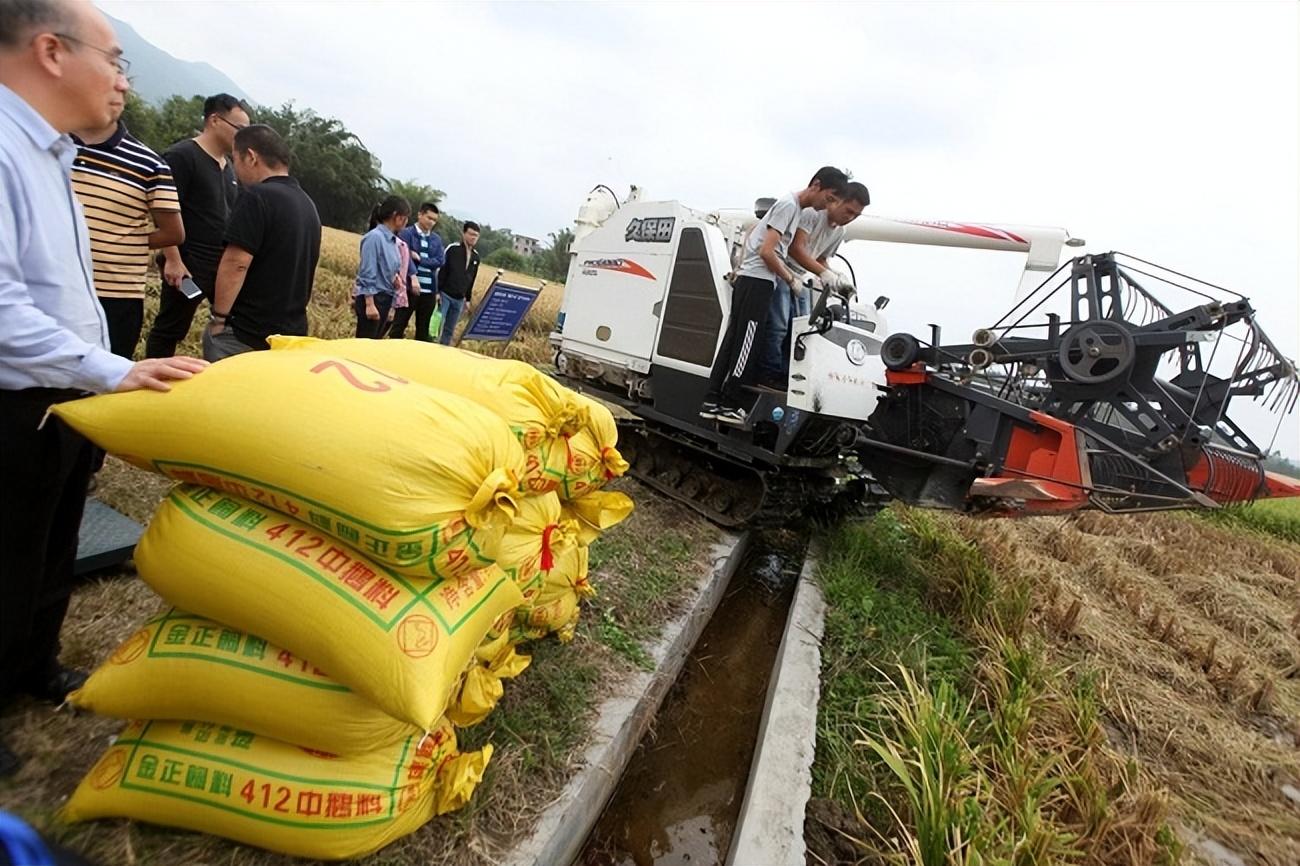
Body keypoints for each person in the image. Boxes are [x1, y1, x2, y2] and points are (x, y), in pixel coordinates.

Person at [0, 0, 208, 778]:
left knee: (50, 537)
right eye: (114, 58)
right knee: (9, 545)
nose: (122, 77)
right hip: (16, 395)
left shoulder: (52, 153)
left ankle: (32, 666)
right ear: (52, 51)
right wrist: (116, 370)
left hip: (63, 393)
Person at [700, 166, 847, 425]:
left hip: (753, 279)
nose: (828, 205)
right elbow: (769, 252)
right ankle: (730, 402)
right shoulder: (789, 206)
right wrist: (791, 278)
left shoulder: (793, 208)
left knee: (733, 340)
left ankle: (713, 400)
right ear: (816, 185)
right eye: (830, 197)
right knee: (748, 342)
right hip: (758, 280)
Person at [70, 103, 184, 359]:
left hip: (116, 293)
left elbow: (173, 232)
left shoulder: (149, 164)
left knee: (104, 381)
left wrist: (121, 240)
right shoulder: (52, 146)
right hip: (52, 286)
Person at [203, 124, 321, 361]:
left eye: (235, 158)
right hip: (289, 336)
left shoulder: (257, 197)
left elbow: (236, 263)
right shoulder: (309, 206)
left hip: (246, 333)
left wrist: (219, 318)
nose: (234, 167)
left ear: (251, 157)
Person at [143, 92, 248, 358]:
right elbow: (163, 210)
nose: (243, 137)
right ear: (214, 120)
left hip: (219, 266)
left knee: (232, 324)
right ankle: (152, 379)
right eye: (239, 129)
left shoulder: (229, 168)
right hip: (188, 264)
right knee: (171, 328)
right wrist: (173, 260)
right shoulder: (182, 156)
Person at [759, 180, 870, 387]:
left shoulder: (839, 232)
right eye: (848, 211)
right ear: (837, 201)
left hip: (804, 278)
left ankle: (787, 374)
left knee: (800, 329)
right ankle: (768, 372)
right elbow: (796, 249)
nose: (850, 218)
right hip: (784, 270)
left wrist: (834, 275)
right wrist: (826, 274)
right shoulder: (813, 214)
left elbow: (820, 258)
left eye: (856, 215)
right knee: (779, 326)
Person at [353, 195, 409, 339]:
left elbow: (389, 267)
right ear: (396, 216)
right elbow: (367, 271)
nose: (406, 222)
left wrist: (394, 278)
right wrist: (370, 304)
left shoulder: (392, 240)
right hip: (373, 298)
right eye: (405, 217)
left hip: (385, 297)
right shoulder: (374, 238)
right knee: (365, 343)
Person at [392, 202, 445, 341]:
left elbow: (440, 260)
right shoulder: (407, 233)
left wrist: (420, 259)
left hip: (429, 291)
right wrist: (413, 275)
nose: (431, 222)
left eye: (434, 220)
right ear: (420, 214)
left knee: (423, 330)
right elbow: (405, 256)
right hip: (410, 288)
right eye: (429, 218)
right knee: (399, 325)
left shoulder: (436, 239)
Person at [435, 221, 480, 345]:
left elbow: (472, 278)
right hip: (445, 294)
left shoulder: (476, 257)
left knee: (450, 329)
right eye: (471, 234)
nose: (473, 238)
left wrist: (468, 298)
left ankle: (443, 350)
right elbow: (442, 270)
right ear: (464, 234)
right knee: (437, 324)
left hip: (460, 298)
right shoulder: (453, 249)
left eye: (476, 235)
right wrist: (437, 291)